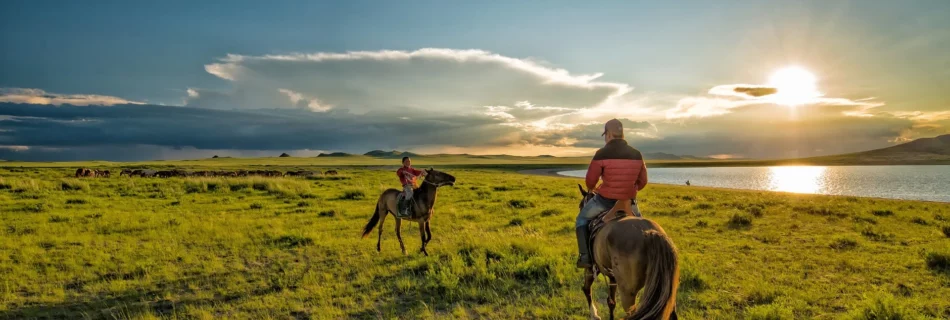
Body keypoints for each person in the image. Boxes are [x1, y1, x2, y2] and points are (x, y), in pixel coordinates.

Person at [575, 119, 648, 268]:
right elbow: (643, 181)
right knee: (645, 229)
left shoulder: (601, 154)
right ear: (622, 134)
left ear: (608, 134)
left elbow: (590, 182)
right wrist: (630, 190)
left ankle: (585, 258)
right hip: (629, 202)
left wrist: (595, 188)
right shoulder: (637, 154)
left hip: (604, 201)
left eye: (605, 135)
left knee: (581, 220)